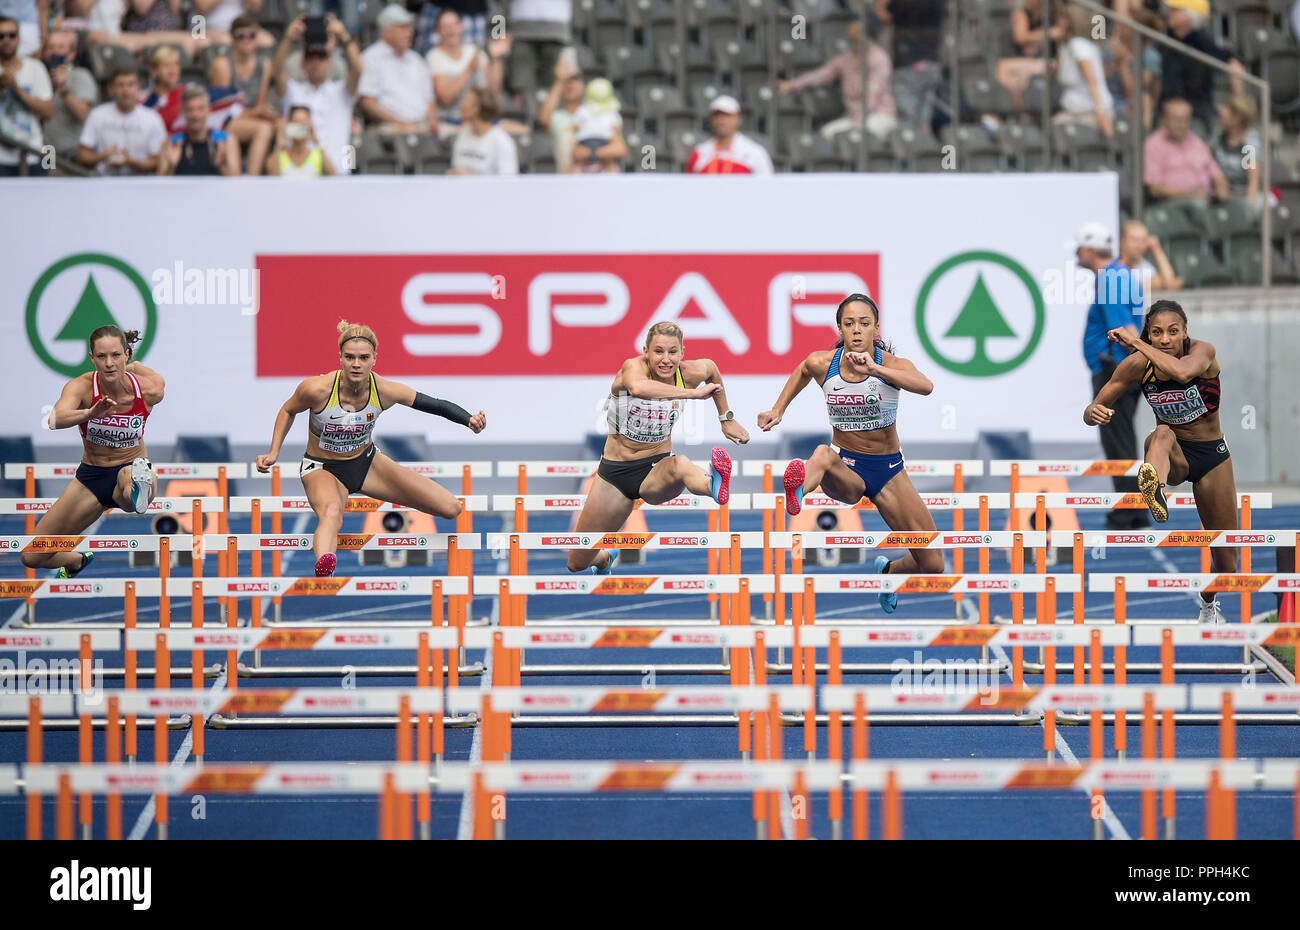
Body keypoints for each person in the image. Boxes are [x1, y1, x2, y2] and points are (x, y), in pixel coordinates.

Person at [255, 320, 486, 576]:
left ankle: (330, 552)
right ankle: (325, 562)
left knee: (451, 507)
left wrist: (468, 420)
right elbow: (288, 410)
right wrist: (273, 451)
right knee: (331, 512)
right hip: (323, 468)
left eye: (363, 357)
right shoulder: (316, 389)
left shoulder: (385, 390)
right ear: (340, 358)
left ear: (374, 359)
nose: (356, 364)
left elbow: (435, 405)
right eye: (350, 357)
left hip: (367, 463)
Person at [759, 294, 938, 614]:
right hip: (846, 466)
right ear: (840, 329)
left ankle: (888, 572)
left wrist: (875, 370)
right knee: (822, 454)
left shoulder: (893, 365)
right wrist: (777, 409)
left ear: (876, 330)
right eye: (849, 324)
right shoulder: (823, 363)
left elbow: (925, 386)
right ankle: (798, 488)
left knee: (933, 563)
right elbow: (802, 370)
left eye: (864, 324)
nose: (856, 330)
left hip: (888, 470)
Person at [1084, 299, 1234, 624]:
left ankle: (1207, 602)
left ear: (1185, 333)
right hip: (1173, 453)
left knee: (1228, 565)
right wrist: (1090, 413)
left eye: (1172, 332)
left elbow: (1181, 372)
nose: (1164, 339)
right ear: (1150, 335)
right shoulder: (1139, 365)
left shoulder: (1203, 352)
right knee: (1161, 433)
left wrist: (1136, 342)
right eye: (1156, 333)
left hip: (1211, 455)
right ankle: (1156, 491)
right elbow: (1095, 406)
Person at [566, 321, 749, 574]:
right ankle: (604, 559)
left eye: (673, 352)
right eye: (658, 352)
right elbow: (638, 389)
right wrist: (692, 395)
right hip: (614, 475)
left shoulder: (691, 372)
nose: (666, 360)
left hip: (656, 467)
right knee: (576, 562)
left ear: (682, 352)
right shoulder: (632, 368)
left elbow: (712, 370)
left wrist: (726, 419)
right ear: (646, 351)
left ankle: (713, 485)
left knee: (681, 464)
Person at [21, 325, 163, 577]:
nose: (109, 363)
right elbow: (54, 419)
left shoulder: (148, 390)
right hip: (91, 477)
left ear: (127, 354)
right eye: (102, 357)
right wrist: (89, 413)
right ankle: (76, 560)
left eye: (116, 356)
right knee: (32, 554)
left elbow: (152, 377)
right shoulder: (82, 387)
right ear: (91, 358)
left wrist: (130, 368)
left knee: (129, 485)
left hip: (129, 467)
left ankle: (139, 489)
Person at [1077, 221, 1150, 529]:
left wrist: (1145, 362)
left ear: (1090, 250)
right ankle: (1132, 509)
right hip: (1118, 369)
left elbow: (1128, 333)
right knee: (1121, 440)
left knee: (1117, 443)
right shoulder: (1119, 275)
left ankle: (1129, 511)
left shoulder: (1112, 279)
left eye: (1079, 249)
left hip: (1115, 371)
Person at [270, 13, 362, 174]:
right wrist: (288, 39)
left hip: (339, 175)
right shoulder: (293, 91)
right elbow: (276, 72)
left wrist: (344, 36)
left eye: (321, 58)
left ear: (330, 64)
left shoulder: (341, 92)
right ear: (302, 64)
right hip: (300, 174)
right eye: (310, 58)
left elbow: (357, 71)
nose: (315, 63)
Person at [777, 20, 897, 140]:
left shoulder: (879, 58)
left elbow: (871, 97)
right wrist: (793, 84)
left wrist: (857, 123)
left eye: (857, 37)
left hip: (879, 115)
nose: (854, 41)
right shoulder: (847, 58)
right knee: (827, 133)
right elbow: (821, 75)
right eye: (852, 38)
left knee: (862, 133)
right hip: (853, 118)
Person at [358, 4, 436, 135]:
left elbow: (429, 99)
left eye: (410, 27)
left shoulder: (416, 59)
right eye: (403, 27)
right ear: (386, 32)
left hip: (422, 127)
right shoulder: (370, 58)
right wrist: (400, 123)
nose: (410, 32)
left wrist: (432, 122)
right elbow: (366, 101)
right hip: (388, 128)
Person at [427, 8, 503, 141]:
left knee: (521, 130)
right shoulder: (434, 56)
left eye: (455, 24)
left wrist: (495, 58)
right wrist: (469, 69)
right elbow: (445, 97)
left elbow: (492, 92)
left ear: (461, 27)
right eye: (445, 26)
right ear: (438, 31)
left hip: (480, 119)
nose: (451, 30)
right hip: (450, 121)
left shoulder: (474, 51)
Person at [77, 67, 166, 174]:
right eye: (120, 85)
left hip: (142, 185)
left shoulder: (153, 118)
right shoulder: (97, 115)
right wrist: (102, 157)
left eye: (131, 84)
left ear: (138, 88)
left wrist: (131, 162)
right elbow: (82, 156)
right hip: (104, 183)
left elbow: (159, 161)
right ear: (111, 89)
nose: (126, 90)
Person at [1143, 97, 1227, 206]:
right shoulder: (1153, 145)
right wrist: (1193, 194)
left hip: (1208, 200)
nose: (1182, 125)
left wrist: (1222, 189)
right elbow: (1155, 189)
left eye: (1186, 120)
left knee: (1240, 206)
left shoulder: (1197, 142)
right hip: (1174, 205)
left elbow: (1217, 174)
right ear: (1164, 119)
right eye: (1177, 120)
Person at [0, 14, 52, 175]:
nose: (6, 40)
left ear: (19, 38)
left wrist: (17, 91)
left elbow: (48, 112)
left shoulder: (36, 68)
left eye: (12, 35)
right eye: (1, 36)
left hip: (34, 153)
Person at [1053, 4, 1114, 138]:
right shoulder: (1068, 45)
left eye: (1064, 18)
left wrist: (1100, 113)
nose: (1059, 21)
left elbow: (1092, 80)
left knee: (1054, 135)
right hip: (1074, 111)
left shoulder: (1078, 44)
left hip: (1089, 112)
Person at [41, 29, 98, 163]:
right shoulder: (40, 76)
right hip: (48, 154)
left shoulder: (80, 76)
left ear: (72, 54)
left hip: (73, 156)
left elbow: (82, 114)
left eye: (60, 47)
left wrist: (63, 89)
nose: (54, 52)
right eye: (50, 47)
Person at [157, 85, 241, 174]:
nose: (195, 115)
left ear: (208, 110)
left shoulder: (226, 141)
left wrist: (221, 165)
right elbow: (160, 184)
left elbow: (236, 181)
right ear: (183, 112)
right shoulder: (171, 143)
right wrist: (171, 166)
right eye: (190, 110)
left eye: (200, 109)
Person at [684, 95, 772, 175]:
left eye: (727, 115)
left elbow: (765, 187)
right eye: (717, 115)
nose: (722, 120)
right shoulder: (699, 153)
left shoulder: (755, 152)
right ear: (711, 120)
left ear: (738, 119)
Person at [447, 87, 517, 174]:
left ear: (477, 108)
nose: (461, 106)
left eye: (466, 101)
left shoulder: (501, 141)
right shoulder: (462, 136)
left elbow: (508, 182)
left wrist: (471, 178)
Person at [1210, 95, 1261, 210]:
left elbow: (1253, 180)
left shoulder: (1249, 144)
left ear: (1237, 118)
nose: (1221, 112)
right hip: (1221, 193)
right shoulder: (1217, 139)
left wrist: (1249, 208)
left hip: (1242, 194)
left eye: (1226, 109)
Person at [568, 76, 625, 173]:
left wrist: (590, 153)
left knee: (578, 167)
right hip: (601, 143)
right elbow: (618, 127)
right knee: (610, 166)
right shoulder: (612, 113)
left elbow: (575, 126)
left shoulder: (582, 109)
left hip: (588, 143)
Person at [537, 55, 582, 173]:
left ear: (583, 85)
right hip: (565, 179)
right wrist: (559, 80)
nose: (570, 85)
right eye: (566, 82)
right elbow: (543, 120)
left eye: (575, 79)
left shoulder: (592, 114)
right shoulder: (557, 117)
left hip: (593, 179)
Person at [266, 103, 336, 176]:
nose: (300, 126)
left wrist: (317, 141)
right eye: (296, 122)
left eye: (304, 122)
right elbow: (273, 178)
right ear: (289, 125)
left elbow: (332, 174)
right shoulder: (278, 156)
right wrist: (279, 146)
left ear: (310, 125)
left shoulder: (318, 155)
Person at [1119, 219, 1182, 299]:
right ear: (1122, 241)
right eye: (1134, 240)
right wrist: (1158, 285)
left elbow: (1171, 283)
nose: (1139, 245)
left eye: (1143, 240)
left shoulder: (1143, 265)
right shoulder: (1113, 264)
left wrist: (1156, 249)